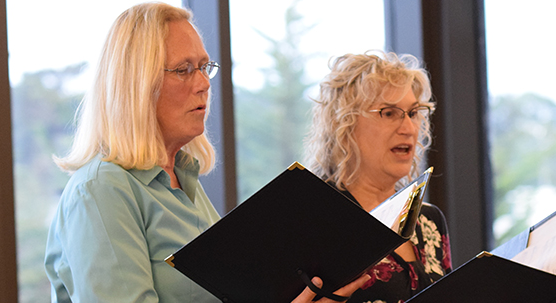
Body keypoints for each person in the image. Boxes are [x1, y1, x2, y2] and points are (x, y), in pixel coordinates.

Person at [43, 3, 367, 302]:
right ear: (138, 84)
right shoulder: (101, 189)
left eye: (204, 67)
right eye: (184, 69)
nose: (204, 84)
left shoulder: (183, 179)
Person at [304, 50, 452, 303]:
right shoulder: (312, 221)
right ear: (344, 124)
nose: (408, 128)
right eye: (389, 113)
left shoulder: (429, 220)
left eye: (413, 113)